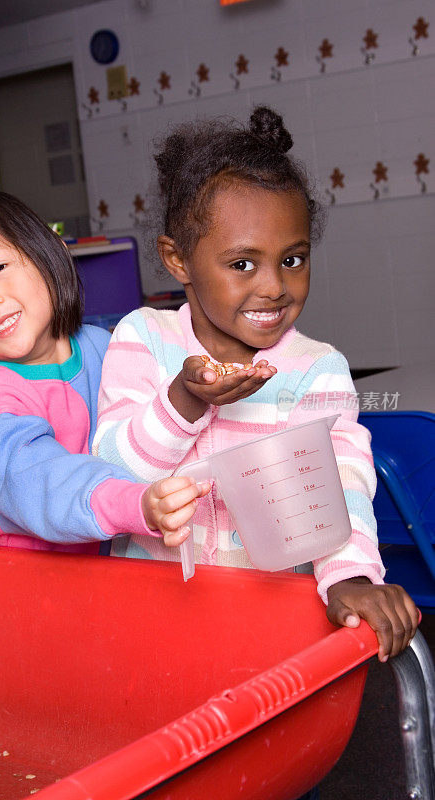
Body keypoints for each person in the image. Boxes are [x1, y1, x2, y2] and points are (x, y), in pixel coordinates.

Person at [93, 106, 418, 663]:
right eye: (242, 264)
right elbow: (112, 477)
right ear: (179, 261)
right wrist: (182, 401)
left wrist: (348, 577)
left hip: (268, 625)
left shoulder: (317, 368)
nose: (274, 286)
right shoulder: (142, 339)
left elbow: (341, 484)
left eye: (293, 258)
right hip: (152, 621)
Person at [0, 190, 209, 553]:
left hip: (92, 574)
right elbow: (43, 482)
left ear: (50, 253)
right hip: (14, 587)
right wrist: (135, 503)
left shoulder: (105, 346)